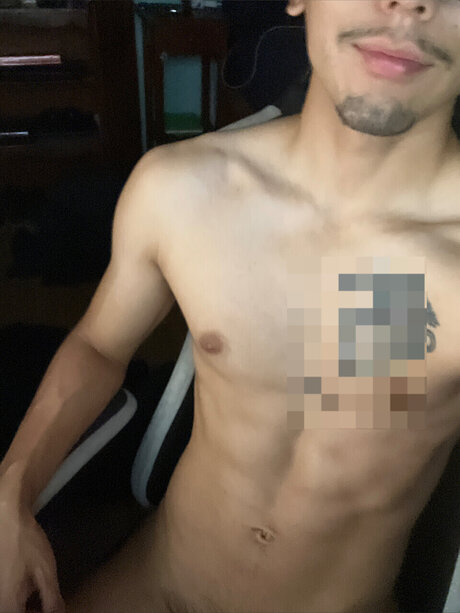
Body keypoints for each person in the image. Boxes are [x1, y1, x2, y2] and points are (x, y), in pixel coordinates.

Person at [1, 0, 460, 611]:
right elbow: (99, 345)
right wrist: (10, 493)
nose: (410, 3)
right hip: (160, 584)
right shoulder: (182, 190)